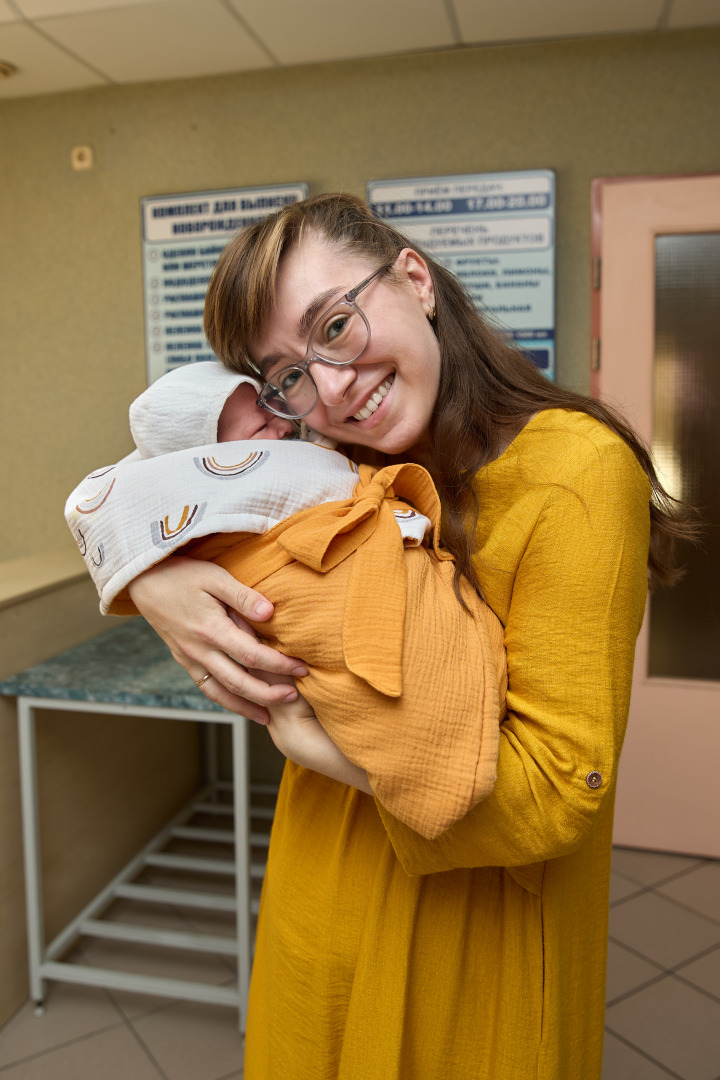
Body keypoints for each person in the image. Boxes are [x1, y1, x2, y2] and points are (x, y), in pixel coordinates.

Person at [69, 193, 693, 1080]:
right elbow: (134, 485)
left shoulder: (573, 472)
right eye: (284, 373)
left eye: (336, 325)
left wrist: (307, 742)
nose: (328, 389)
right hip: (320, 882)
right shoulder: (328, 465)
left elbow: (559, 794)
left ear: (414, 279)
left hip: (472, 931)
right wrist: (155, 576)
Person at [69, 360, 507, 839]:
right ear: (212, 462)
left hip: (342, 801)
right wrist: (151, 578)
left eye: (271, 402)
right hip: (322, 825)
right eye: (259, 425)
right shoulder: (234, 491)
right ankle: (432, 768)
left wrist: (301, 741)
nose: (283, 425)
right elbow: (102, 505)